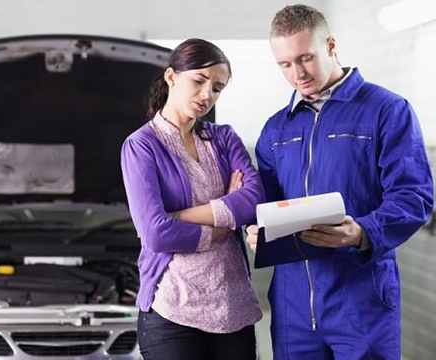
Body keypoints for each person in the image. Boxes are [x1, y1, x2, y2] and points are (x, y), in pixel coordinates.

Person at [246, 4, 434, 359]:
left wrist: (362, 232)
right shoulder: (276, 128)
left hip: (361, 297)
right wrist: (254, 228)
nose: (297, 73)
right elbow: (263, 203)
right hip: (292, 303)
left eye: (305, 58)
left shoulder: (386, 110)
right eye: (285, 64)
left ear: (330, 45)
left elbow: (414, 197)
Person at [121, 38, 265, 360]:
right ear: (172, 77)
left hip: (233, 307)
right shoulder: (142, 146)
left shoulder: (223, 137)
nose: (206, 95)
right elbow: (156, 234)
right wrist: (225, 220)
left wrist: (181, 216)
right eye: (199, 81)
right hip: (174, 309)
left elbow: (254, 196)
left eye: (217, 88)